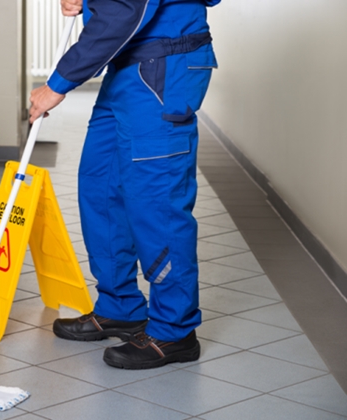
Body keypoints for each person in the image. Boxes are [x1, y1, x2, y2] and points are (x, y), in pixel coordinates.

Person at [29, 0, 221, 370]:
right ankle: (120, 308)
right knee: (101, 189)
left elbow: (124, 12)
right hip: (127, 65)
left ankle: (174, 330)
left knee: (156, 202)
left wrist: (58, 83)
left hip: (163, 66)